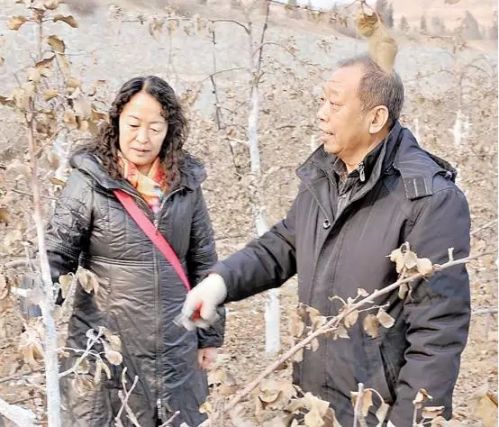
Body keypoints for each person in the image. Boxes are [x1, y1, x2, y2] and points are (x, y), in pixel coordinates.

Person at [182, 55, 471, 426]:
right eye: (322, 101)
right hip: (314, 405)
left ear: (376, 118)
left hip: (376, 411)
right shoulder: (325, 175)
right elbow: (284, 244)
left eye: (334, 104)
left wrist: (410, 421)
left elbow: (437, 333)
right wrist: (219, 283)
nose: (321, 114)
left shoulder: (428, 199)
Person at [46, 76, 224, 427]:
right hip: (107, 349)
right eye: (133, 125)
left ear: (169, 130)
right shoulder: (90, 181)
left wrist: (209, 337)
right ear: (116, 122)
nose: (143, 138)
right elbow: (56, 255)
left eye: (155, 128)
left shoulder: (185, 184)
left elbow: (204, 262)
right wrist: (37, 319)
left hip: (176, 350)